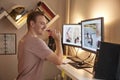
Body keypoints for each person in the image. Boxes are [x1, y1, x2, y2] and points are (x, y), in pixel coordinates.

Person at [16, 11, 63, 80]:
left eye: (45, 24)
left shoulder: (23, 39)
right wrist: (58, 40)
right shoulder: (36, 42)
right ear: (32, 24)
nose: (45, 27)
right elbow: (59, 61)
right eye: (42, 23)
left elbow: (43, 56)